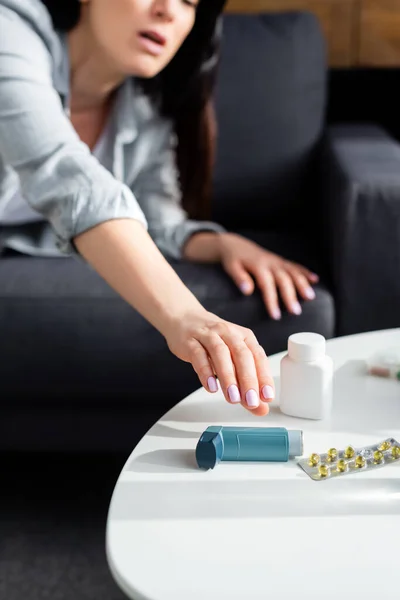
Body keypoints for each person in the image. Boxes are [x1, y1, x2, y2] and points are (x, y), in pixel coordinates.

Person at [0, 0, 318, 415]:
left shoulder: (144, 110)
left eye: (189, 3)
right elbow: (66, 177)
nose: (169, 11)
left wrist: (222, 244)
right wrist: (185, 315)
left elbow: (159, 220)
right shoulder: (12, 30)